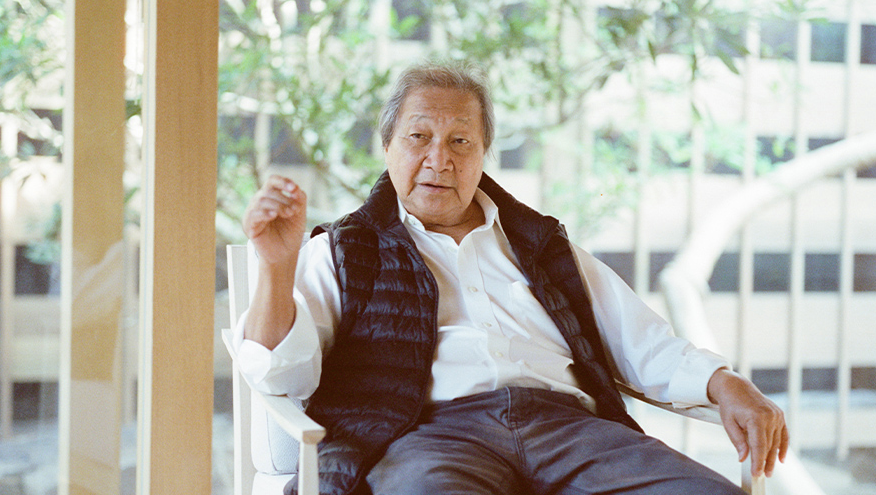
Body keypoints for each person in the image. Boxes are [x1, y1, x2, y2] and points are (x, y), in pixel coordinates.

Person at [234, 61, 788, 495]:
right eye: (418, 137)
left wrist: (726, 383)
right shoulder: (344, 248)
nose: (438, 159)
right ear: (387, 148)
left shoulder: (542, 244)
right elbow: (281, 376)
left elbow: (643, 342)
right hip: (431, 437)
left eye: (459, 141)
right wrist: (277, 267)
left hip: (572, 432)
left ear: (482, 155)